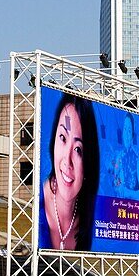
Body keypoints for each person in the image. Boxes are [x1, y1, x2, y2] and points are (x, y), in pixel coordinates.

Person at [39, 93, 99, 251]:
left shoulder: (91, 217)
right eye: (63, 138)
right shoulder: (38, 206)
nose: (67, 159)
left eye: (78, 149)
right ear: (53, 141)